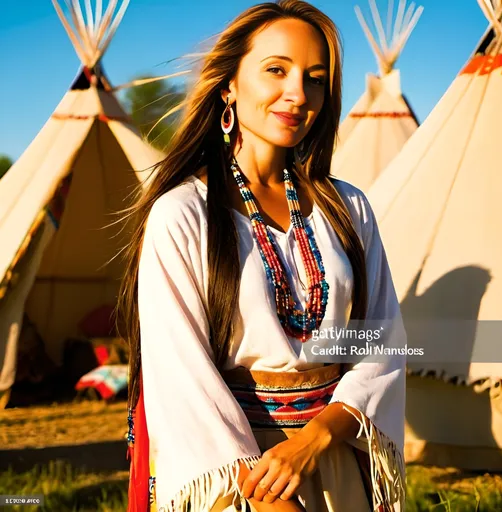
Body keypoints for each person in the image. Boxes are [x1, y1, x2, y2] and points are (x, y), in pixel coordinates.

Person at [119, 1, 406, 511]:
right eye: (276, 69)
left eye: (315, 78)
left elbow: (382, 341)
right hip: (231, 481)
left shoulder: (348, 208)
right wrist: (273, 502)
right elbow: (181, 380)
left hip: (332, 464)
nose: (297, 94)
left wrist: (314, 440)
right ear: (229, 84)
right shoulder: (181, 216)